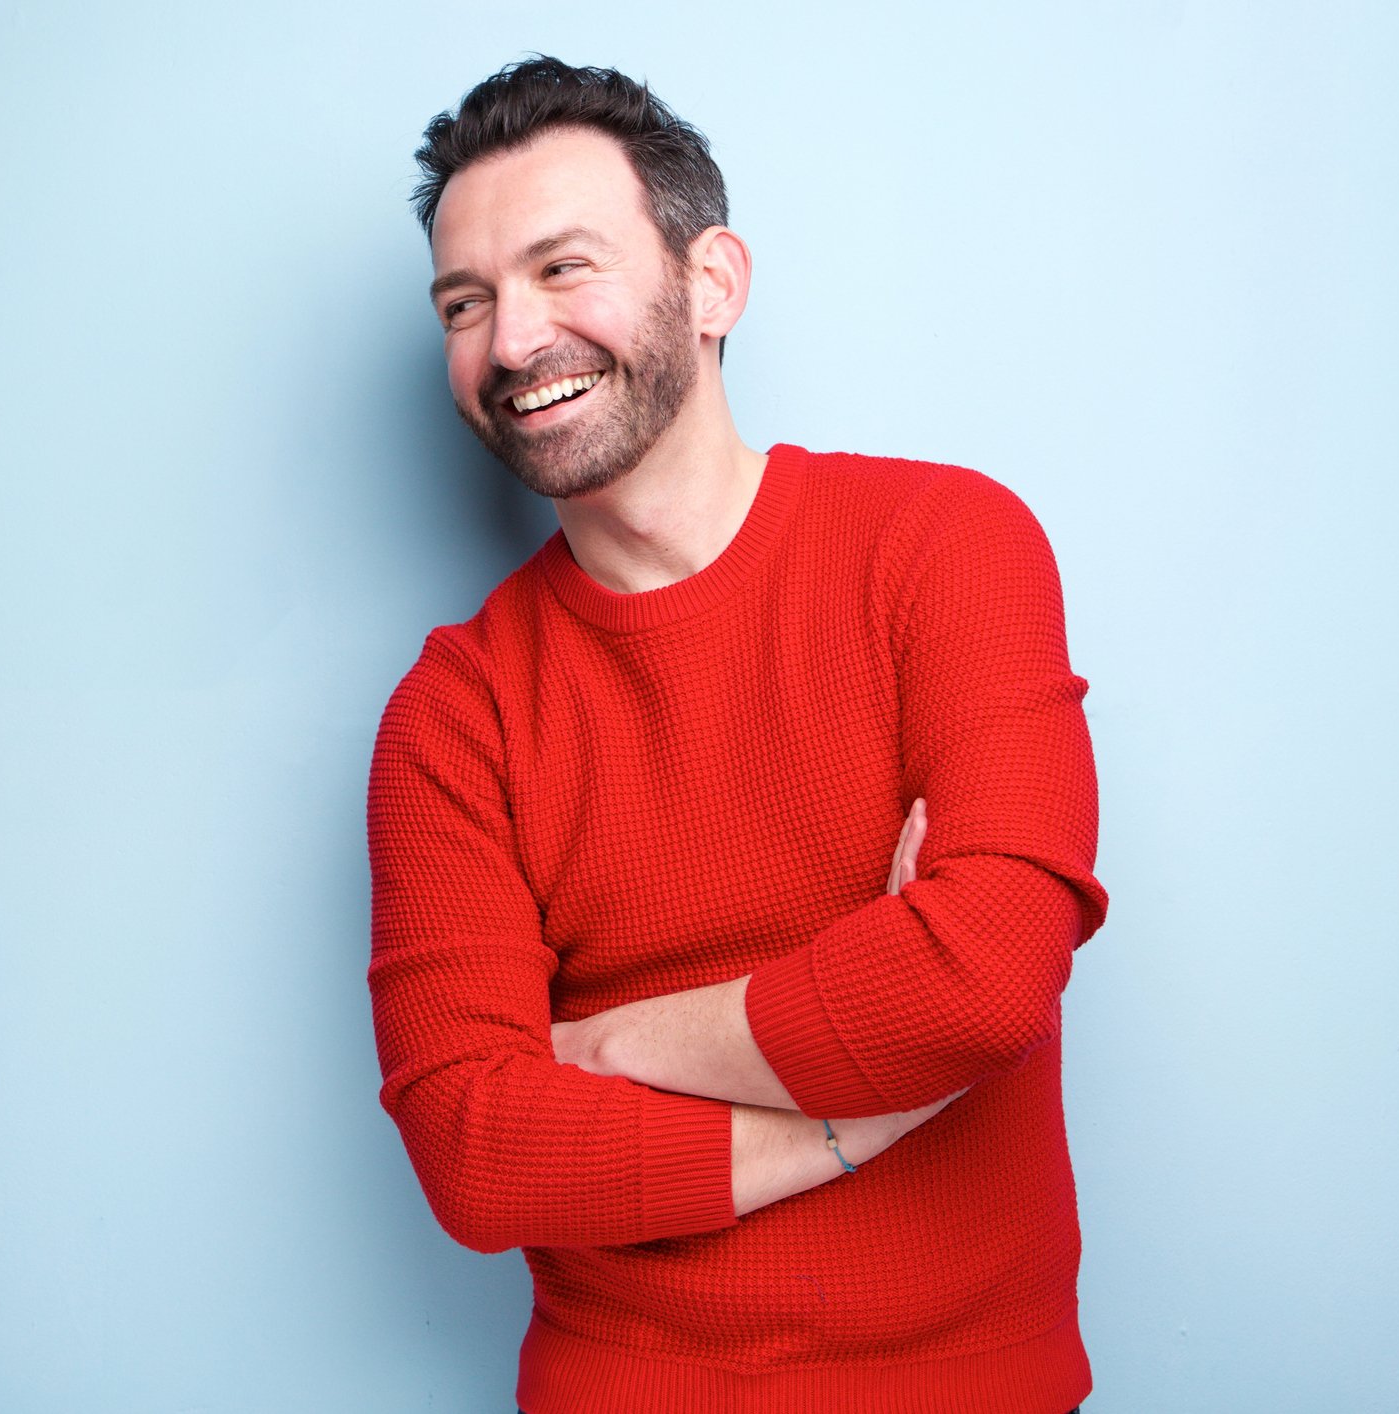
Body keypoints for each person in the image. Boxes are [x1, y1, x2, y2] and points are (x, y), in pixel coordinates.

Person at [364, 57, 1107, 1414]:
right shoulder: (454, 712)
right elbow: (474, 1150)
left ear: (712, 282)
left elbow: (983, 977)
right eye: (463, 304)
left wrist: (597, 1046)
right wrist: (852, 1115)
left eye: (560, 268)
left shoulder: (942, 550)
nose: (511, 342)